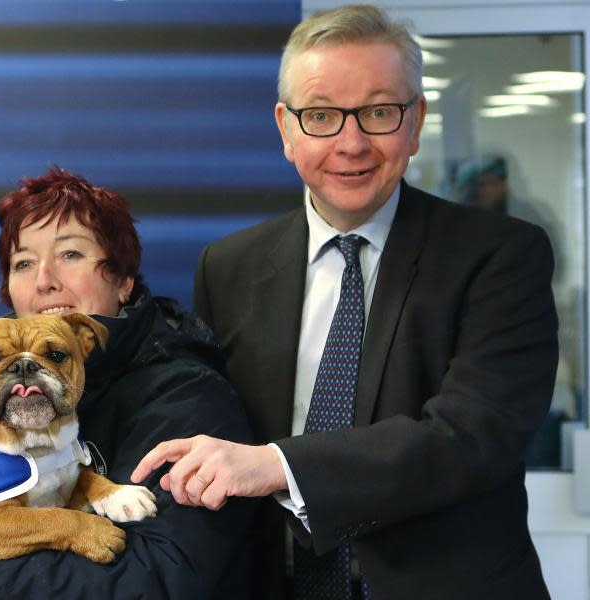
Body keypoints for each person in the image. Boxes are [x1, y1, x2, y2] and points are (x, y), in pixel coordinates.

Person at [132, 5, 557, 600]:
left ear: (416, 123)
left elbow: (472, 436)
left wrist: (279, 465)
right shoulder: (227, 267)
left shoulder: (500, 256)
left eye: (379, 112)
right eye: (322, 115)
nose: (351, 143)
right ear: (285, 129)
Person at [0, 167, 258, 598]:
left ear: (124, 280)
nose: (44, 279)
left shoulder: (186, 398)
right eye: (23, 262)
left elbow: (163, 579)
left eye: (70, 254)